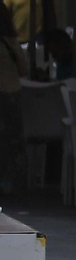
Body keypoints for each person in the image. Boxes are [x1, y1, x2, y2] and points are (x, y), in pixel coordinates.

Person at [0, 15, 26, 193]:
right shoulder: (11, 43)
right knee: (10, 140)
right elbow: (24, 69)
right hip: (11, 94)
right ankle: (11, 181)